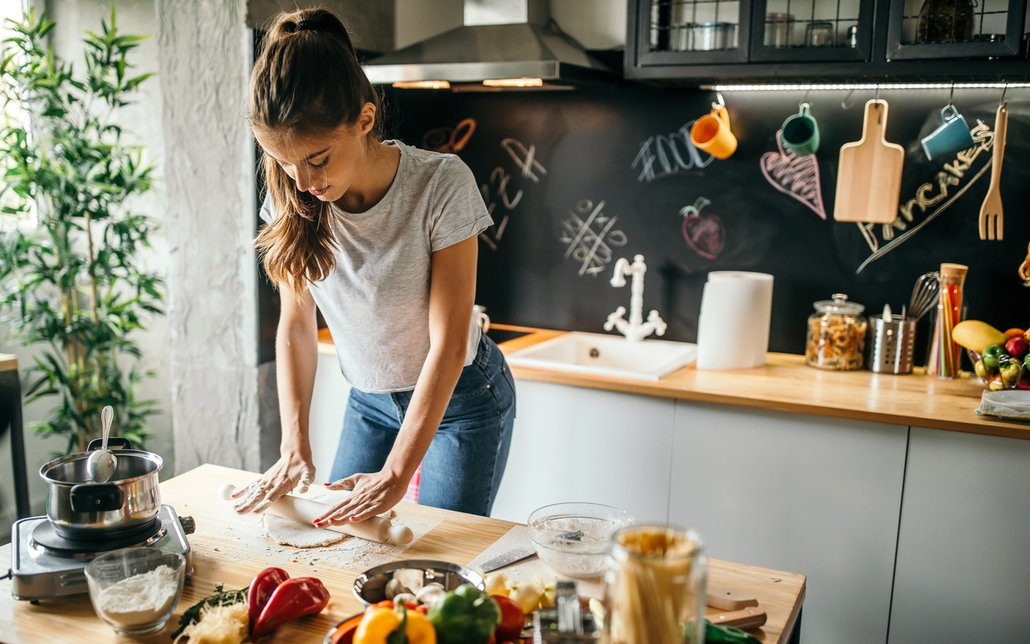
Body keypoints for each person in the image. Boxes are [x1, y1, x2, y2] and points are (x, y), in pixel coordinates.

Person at [231, 8, 515, 526]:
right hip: (369, 400)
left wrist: (397, 474)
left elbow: (450, 344)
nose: (301, 182)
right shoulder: (293, 197)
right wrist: (294, 442)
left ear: (364, 120)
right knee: (339, 543)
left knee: (437, 560)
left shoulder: (440, 185)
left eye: (317, 159)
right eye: (283, 161)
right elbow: (296, 326)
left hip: (462, 400)